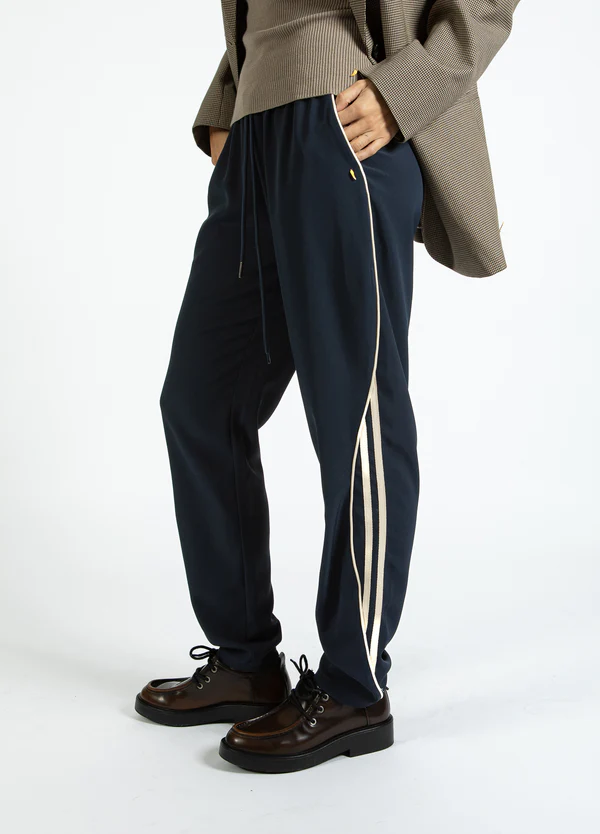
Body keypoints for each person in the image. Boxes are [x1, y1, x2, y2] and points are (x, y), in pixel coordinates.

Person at [135, 0, 520, 773]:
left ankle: (354, 686)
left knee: (357, 416)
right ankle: (246, 661)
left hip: (342, 121)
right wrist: (229, 101)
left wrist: (404, 89)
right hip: (255, 131)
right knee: (201, 402)